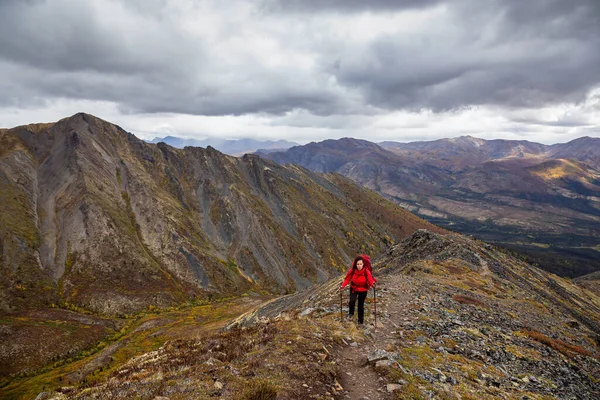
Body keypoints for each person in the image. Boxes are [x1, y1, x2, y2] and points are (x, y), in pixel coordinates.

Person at [340, 255, 376, 324]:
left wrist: (373, 285)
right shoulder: (352, 271)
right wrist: (342, 286)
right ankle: (351, 314)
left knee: (360, 305)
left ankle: (360, 321)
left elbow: (370, 280)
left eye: (360, 264)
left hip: (363, 290)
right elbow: (347, 279)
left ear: (363, 264)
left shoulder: (366, 271)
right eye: (358, 264)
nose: (359, 266)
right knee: (352, 301)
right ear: (355, 264)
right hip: (354, 288)